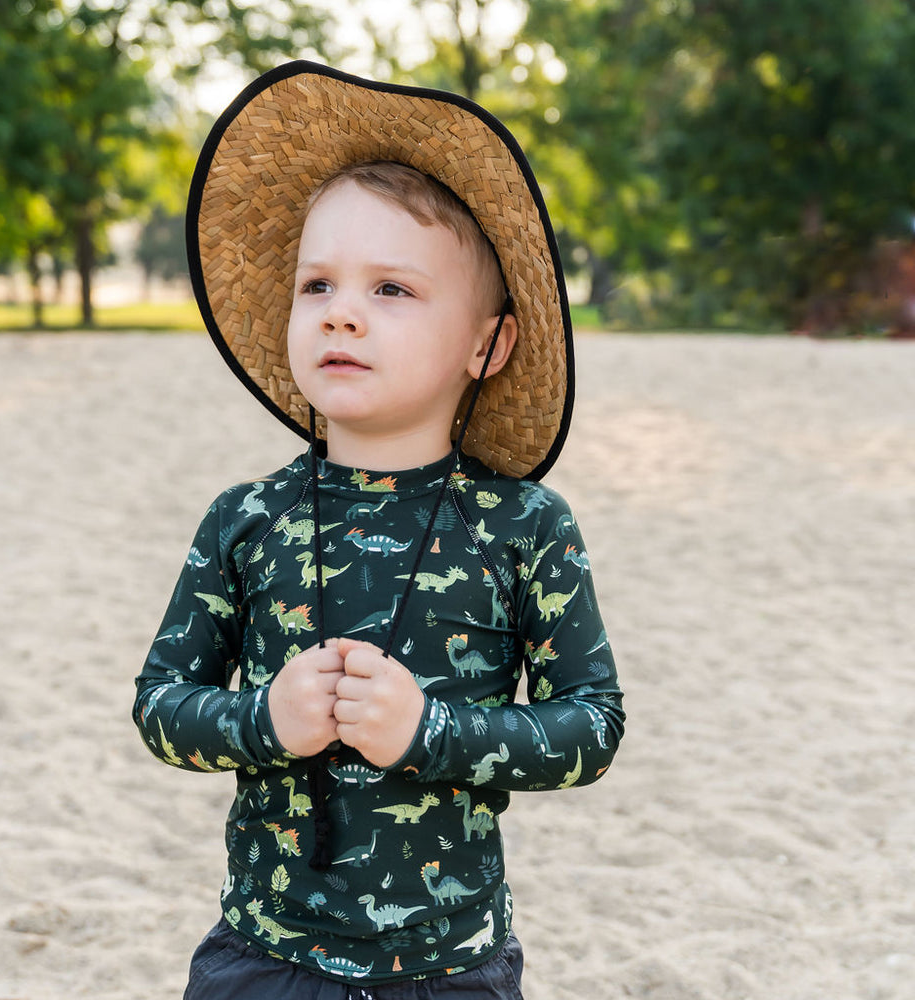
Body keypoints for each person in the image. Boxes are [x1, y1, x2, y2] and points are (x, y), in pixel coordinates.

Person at [133, 61, 625, 999]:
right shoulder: (249, 519)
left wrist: (429, 729)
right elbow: (161, 704)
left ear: (488, 345)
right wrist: (264, 720)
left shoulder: (523, 527)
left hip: (449, 968)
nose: (343, 311)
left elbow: (591, 726)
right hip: (266, 957)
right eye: (317, 285)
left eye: (392, 290)